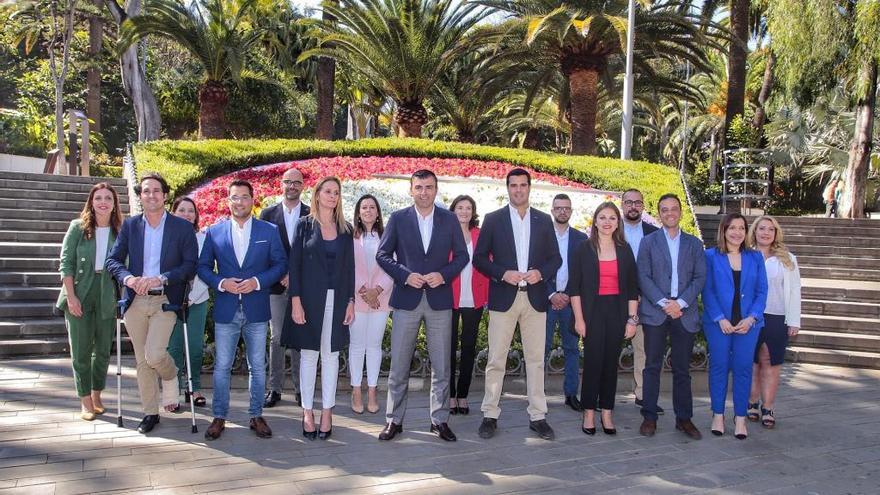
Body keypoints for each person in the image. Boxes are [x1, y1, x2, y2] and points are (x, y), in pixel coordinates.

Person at [375, 169, 468, 442]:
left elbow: (462, 257)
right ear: (411, 190)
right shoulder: (398, 218)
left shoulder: (449, 219)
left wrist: (444, 274)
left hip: (439, 300)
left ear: (436, 190)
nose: (424, 192)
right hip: (407, 299)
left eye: (429, 187)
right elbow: (382, 255)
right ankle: (394, 420)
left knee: (442, 366)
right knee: (399, 365)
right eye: (419, 187)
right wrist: (405, 275)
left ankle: (439, 421)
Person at [106, 173, 198, 434]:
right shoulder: (131, 226)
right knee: (142, 360)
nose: (151, 195)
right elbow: (113, 261)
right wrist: (129, 278)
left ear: (165, 195)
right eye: (146, 191)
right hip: (135, 300)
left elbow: (190, 265)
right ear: (140, 196)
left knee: (155, 354)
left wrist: (163, 277)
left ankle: (170, 375)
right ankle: (150, 413)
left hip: (165, 299)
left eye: (157, 191)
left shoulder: (182, 228)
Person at [473, 168, 562, 441]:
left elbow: (555, 259)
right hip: (504, 297)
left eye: (523, 185)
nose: (518, 190)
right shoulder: (493, 219)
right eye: (514, 185)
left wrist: (541, 273)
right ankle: (490, 414)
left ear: (529, 188)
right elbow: (479, 259)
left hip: (535, 298)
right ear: (507, 188)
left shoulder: (544, 221)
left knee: (536, 360)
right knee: (496, 359)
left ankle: (538, 416)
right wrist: (503, 273)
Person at [197, 180, 287, 440]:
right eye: (234, 197)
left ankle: (256, 414)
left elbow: (280, 265)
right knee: (222, 366)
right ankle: (219, 416)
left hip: (257, 308)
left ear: (252, 200)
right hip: (226, 309)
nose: (239, 202)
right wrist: (221, 283)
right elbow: (203, 267)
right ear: (228, 201)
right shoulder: (214, 232)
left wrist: (257, 282)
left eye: (244, 197)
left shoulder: (268, 231)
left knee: (258, 366)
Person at [284, 177, 355, 441]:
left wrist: (350, 301)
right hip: (309, 300)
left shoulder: (346, 230)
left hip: (336, 302)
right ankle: (307, 412)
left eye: (336, 192)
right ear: (317, 194)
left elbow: (350, 270)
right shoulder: (304, 225)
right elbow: (295, 266)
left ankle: (327, 411)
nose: (332, 196)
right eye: (328, 191)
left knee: (331, 356)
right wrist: (296, 300)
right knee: (309, 356)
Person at [636, 193, 706, 440]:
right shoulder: (648, 242)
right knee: (652, 366)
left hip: (684, 314)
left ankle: (684, 419)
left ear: (680, 212)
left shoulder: (694, 244)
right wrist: (665, 303)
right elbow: (643, 276)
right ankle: (649, 417)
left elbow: (700, 278)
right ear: (659, 214)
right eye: (664, 210)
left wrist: (681, 303)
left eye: (673, 209)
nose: (669, 213)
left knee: (682, 370)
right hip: (656, 312)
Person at [569, 202, 639, 435]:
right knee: (592, 363)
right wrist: (579, 320)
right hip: (592, 312)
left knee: (611, 364)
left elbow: (632, 288)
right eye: (602, 217)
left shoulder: (625, 250)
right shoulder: (582, 249)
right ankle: (588, 412)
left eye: (612, 218)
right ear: (595, 221)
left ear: (617, 223)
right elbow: (575, 288)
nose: (607, 222)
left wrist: (632, 319)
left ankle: (607, 412)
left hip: (617, 312)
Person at [57, 182, 124, 421]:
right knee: (81, 351)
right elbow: (66, 263)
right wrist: (71, 296)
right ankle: (84, 400)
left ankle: (97, 395)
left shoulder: (120, 231)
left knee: (103, 351)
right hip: (80, 291)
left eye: (108, 198)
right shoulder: (78, 227)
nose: (103, 202)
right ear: (91, 202)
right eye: (98, 198)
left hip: (107, 293)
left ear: (115, 203)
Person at [703, 213, 768, 440]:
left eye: (741, 228)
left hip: (747, 325)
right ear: (723, 230)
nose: (737, 232)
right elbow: (707, 290)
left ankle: (740, 418)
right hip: (718, 323)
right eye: (732, 228)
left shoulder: (755, 257)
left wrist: (752, 318)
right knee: (719, 367)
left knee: (743, 369)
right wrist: (719, 318)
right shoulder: (710, 256)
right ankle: (718, 415)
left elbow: (762, 291)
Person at [260, 168, 310, 409]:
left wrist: (296, 276)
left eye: (296, 182)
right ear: (281, 184)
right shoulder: (267, 214)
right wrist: (281, 275)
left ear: (303, 186)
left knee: (300, 337)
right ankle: (275, 388)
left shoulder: (312, 214)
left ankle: (302, 388)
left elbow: (314, 254)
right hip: (276, 286)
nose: (291, 186)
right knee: (278, 337)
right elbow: (262, 252)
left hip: (304, 287)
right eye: (287, 181)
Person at [747, 216, 801, 429]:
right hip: (750, 317)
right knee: (752, 362)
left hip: (777, 316)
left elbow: (795, 290)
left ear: (776, 233)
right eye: (762, 228)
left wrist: (794, 320)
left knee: (771, 361)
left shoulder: (788, 259)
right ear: (755, 231)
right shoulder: (745, 255)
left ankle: (768, 406)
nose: (766, 233)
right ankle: (751, 402)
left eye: (771, 229)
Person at [544, 193, 588, 412]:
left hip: (572, 303)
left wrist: (568, 295)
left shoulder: (581, 239)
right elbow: (534, 268)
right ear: (552, 211)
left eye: (566, 208)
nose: (562, 211)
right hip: (546, 302)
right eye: (558, 208)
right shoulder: (540, 237)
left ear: (571, 211)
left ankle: (571, 394)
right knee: (540, 349)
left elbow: (583, 273)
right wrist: (551, 294)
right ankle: (537, 396)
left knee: (572, 349)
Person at [620, 188, 662, 414]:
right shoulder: (610, 229)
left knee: (644, 349)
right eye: (629, 202)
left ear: (643, 206)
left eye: (637, 202)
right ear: (622, 205)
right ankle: (600, 395)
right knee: (607, 347)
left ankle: (643, 395)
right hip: (614, 299)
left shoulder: (655, 233)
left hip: (646, 300)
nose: (633, 206)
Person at [349, 194, 391, 415]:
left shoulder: (387, 236)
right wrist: (364, 291)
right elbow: (346, 266)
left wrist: (377, 291)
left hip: (381, 300)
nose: (368, 210)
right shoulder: (349, 236)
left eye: (372, 207)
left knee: (374, 346)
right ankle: (356, 391)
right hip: (357, 298)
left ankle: (372, 391)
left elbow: (393, 266)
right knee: (357, 346)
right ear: (358, 212)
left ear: (377, 212)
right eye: (363, 207)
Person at [166, 197, 209, 409]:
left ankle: (194, 388)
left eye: (190, 211)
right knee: (173, 347)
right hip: (171, 301)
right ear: (173, 213)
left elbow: (205, 270)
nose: (186, 214)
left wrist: (191, 298)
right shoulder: (166, 238)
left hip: (197, 300)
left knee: (194, 347)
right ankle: (173, 391)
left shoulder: (203, 239)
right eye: (181, 210)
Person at [448, 195, 489, 416]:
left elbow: (488, 263)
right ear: (453, 210)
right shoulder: (446, 233)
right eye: (460, 207)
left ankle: (463, 395)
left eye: (468, 208)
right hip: (450, 299)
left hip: (474, 298)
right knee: (449, 347)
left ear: (473, 212)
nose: (464, 211)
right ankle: (450, 395)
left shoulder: (480, 235)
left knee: (469, 348)